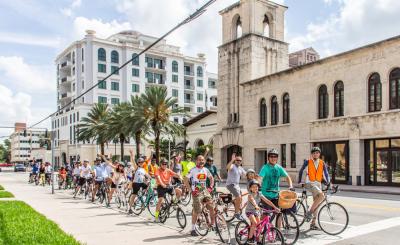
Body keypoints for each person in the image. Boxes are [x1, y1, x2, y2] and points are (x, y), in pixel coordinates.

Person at [258, 149, 294, 227]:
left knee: (279, 213)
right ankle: (258, 229)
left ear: (277, 158)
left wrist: (290, 186)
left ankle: (278, 232)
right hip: (266, 195)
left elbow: (287, 177)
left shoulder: (279, 168)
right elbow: (260, 178)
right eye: (271, 156)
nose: (273, 158)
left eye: (275, 156)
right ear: (268, 158)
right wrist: (259, 187)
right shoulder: (265, 168)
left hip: (276, 194)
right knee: (266, 215)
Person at [298, 146, 330, 230]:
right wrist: (301, 182)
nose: (315, 154)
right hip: (309, 183)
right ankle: (309, 212)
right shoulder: (307, 162)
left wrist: (328, 182)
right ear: (311, 154)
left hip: (318, 184)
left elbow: (326, 174)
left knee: (317, 204)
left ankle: (313, 223)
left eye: (317, 153)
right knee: (322, 196)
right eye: (314, 153)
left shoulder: (322, 162)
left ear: (319, 154)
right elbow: (301, 171)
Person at [184, 154, 215, 236]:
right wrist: (190, 190)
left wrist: (210, 187)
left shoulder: (206, 170)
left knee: (212, 206)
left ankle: (213, 224)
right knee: (197, 211)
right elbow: (185, 179)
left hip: (204, 191)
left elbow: (211, 178)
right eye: (199, 160)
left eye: (202, 160)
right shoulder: (193, 170)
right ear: (196, 161)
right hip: (196, 192)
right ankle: (193, 229)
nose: (201, 161)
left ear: (204, 161)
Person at [246, 180, 280, 245]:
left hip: (256, 211)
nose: (255, 188)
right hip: (249, 211)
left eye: (256, 187)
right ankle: (250, 239)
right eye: (253, 187)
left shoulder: (260, 194)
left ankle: (258, 240)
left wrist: (275, 207)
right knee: (255, 223)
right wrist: (256, 206)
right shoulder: (250, 195)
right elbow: (253, 201)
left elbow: (267, 201)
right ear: (250, 188)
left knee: (259, 226)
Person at [128, 150, 151, 214]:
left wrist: (153, 178)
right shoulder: (136, 168)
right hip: (135, 183)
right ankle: (130, 208)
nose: (141, 163)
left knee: (148, 185)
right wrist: (132, 154)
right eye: (140, 162)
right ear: (138, 163)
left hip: (141, 183)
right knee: (133, 195)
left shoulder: (143, 169)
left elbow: (147, 175)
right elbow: (132, 161)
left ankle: (141, 196)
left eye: (142, 162)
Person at [226, 153, 247, 220]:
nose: (238, 161)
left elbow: (247, 174)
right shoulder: (232, 166)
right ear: (235, 160)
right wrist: (232, 160)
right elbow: (227, 167)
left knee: (241, 199)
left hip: (236, 185)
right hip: (230, 185)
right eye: (237, 160)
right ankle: (237, 213)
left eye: (240, 160)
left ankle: (234, 204)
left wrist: (255, 178)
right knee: (238, 197)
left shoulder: (240, 168)